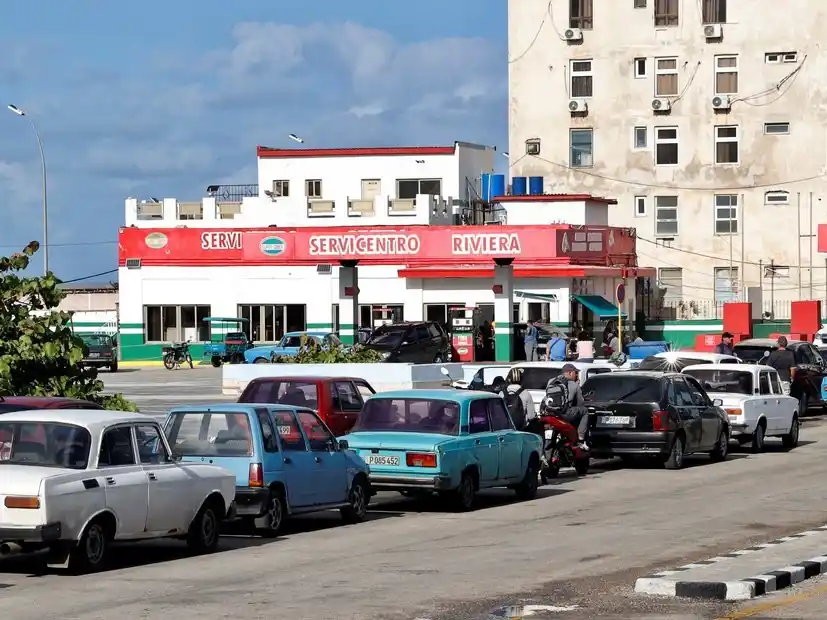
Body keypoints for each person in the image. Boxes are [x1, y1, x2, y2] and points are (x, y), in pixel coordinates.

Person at [547, 364, 589, 448]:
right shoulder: (574, 384)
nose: (576, 375)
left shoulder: (551, 381)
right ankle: (581, 439)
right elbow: (580, 403)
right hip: (564, 413)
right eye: (575, 373)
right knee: (584, 411)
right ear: (570, 373)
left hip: (551, 412)